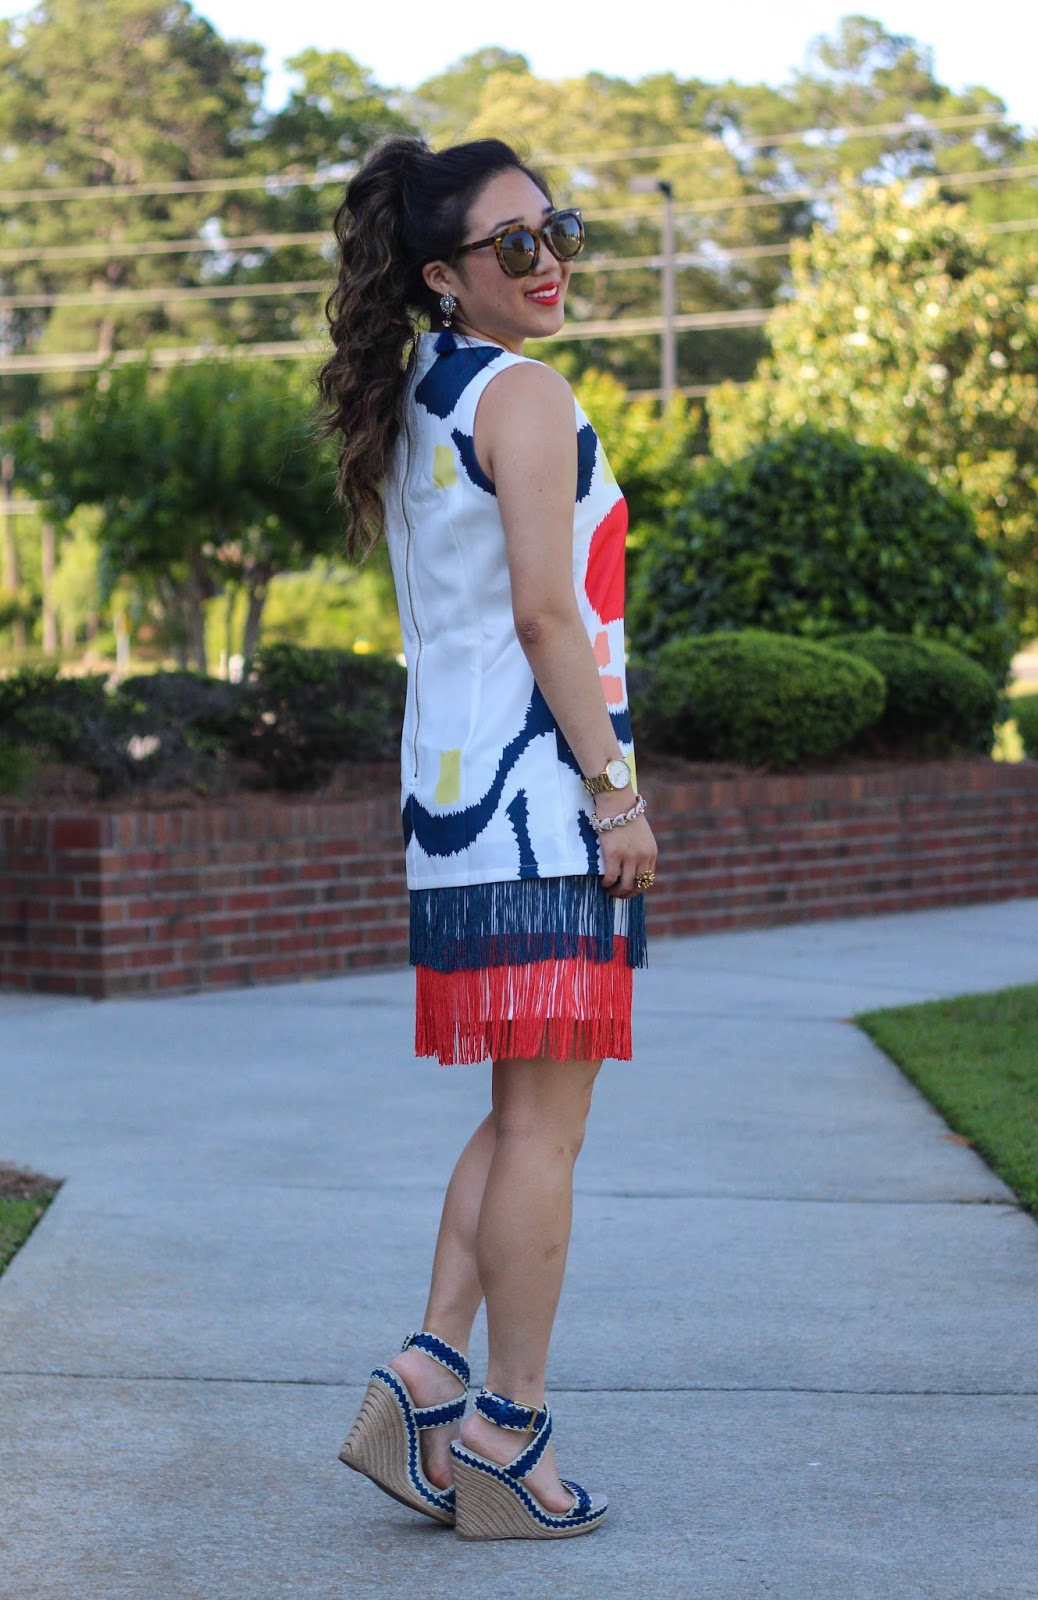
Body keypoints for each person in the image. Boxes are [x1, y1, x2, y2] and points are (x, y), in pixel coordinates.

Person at [315, 134, 657, 1541]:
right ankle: (508, 1436)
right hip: (538, 804)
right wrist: (615, 790)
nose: (550, 260)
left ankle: (426, 1375)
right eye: (516, 244)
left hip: (456, 808)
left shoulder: (422, 393)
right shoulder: (523, 393)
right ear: (444, 276)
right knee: (548, 1132)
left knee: (522, 1118)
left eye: (557, 230)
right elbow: (544, 611)